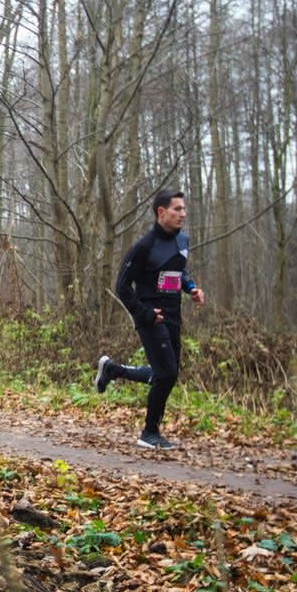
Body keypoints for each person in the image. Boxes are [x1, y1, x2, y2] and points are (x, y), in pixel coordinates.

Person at [94, 189, 206, 449]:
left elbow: (179, 272)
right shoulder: (144, 246)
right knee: (166, 374)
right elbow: (122, 286)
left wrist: (191, 289)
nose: (183, 214)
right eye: (177, 209)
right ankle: (149, 432)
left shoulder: (182, 241)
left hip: (173, 317)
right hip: (150, 318)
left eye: (184, 209)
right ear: (161, 212)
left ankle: (112, 370)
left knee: (167, 373)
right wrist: (143, 313)